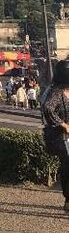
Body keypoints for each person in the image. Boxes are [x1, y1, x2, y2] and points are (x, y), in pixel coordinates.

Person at [40, 58, 69, 215]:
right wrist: (63, 124)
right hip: (61, 137)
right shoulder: (57, 91)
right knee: (67, 166)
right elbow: (48, 108)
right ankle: (68, 199)